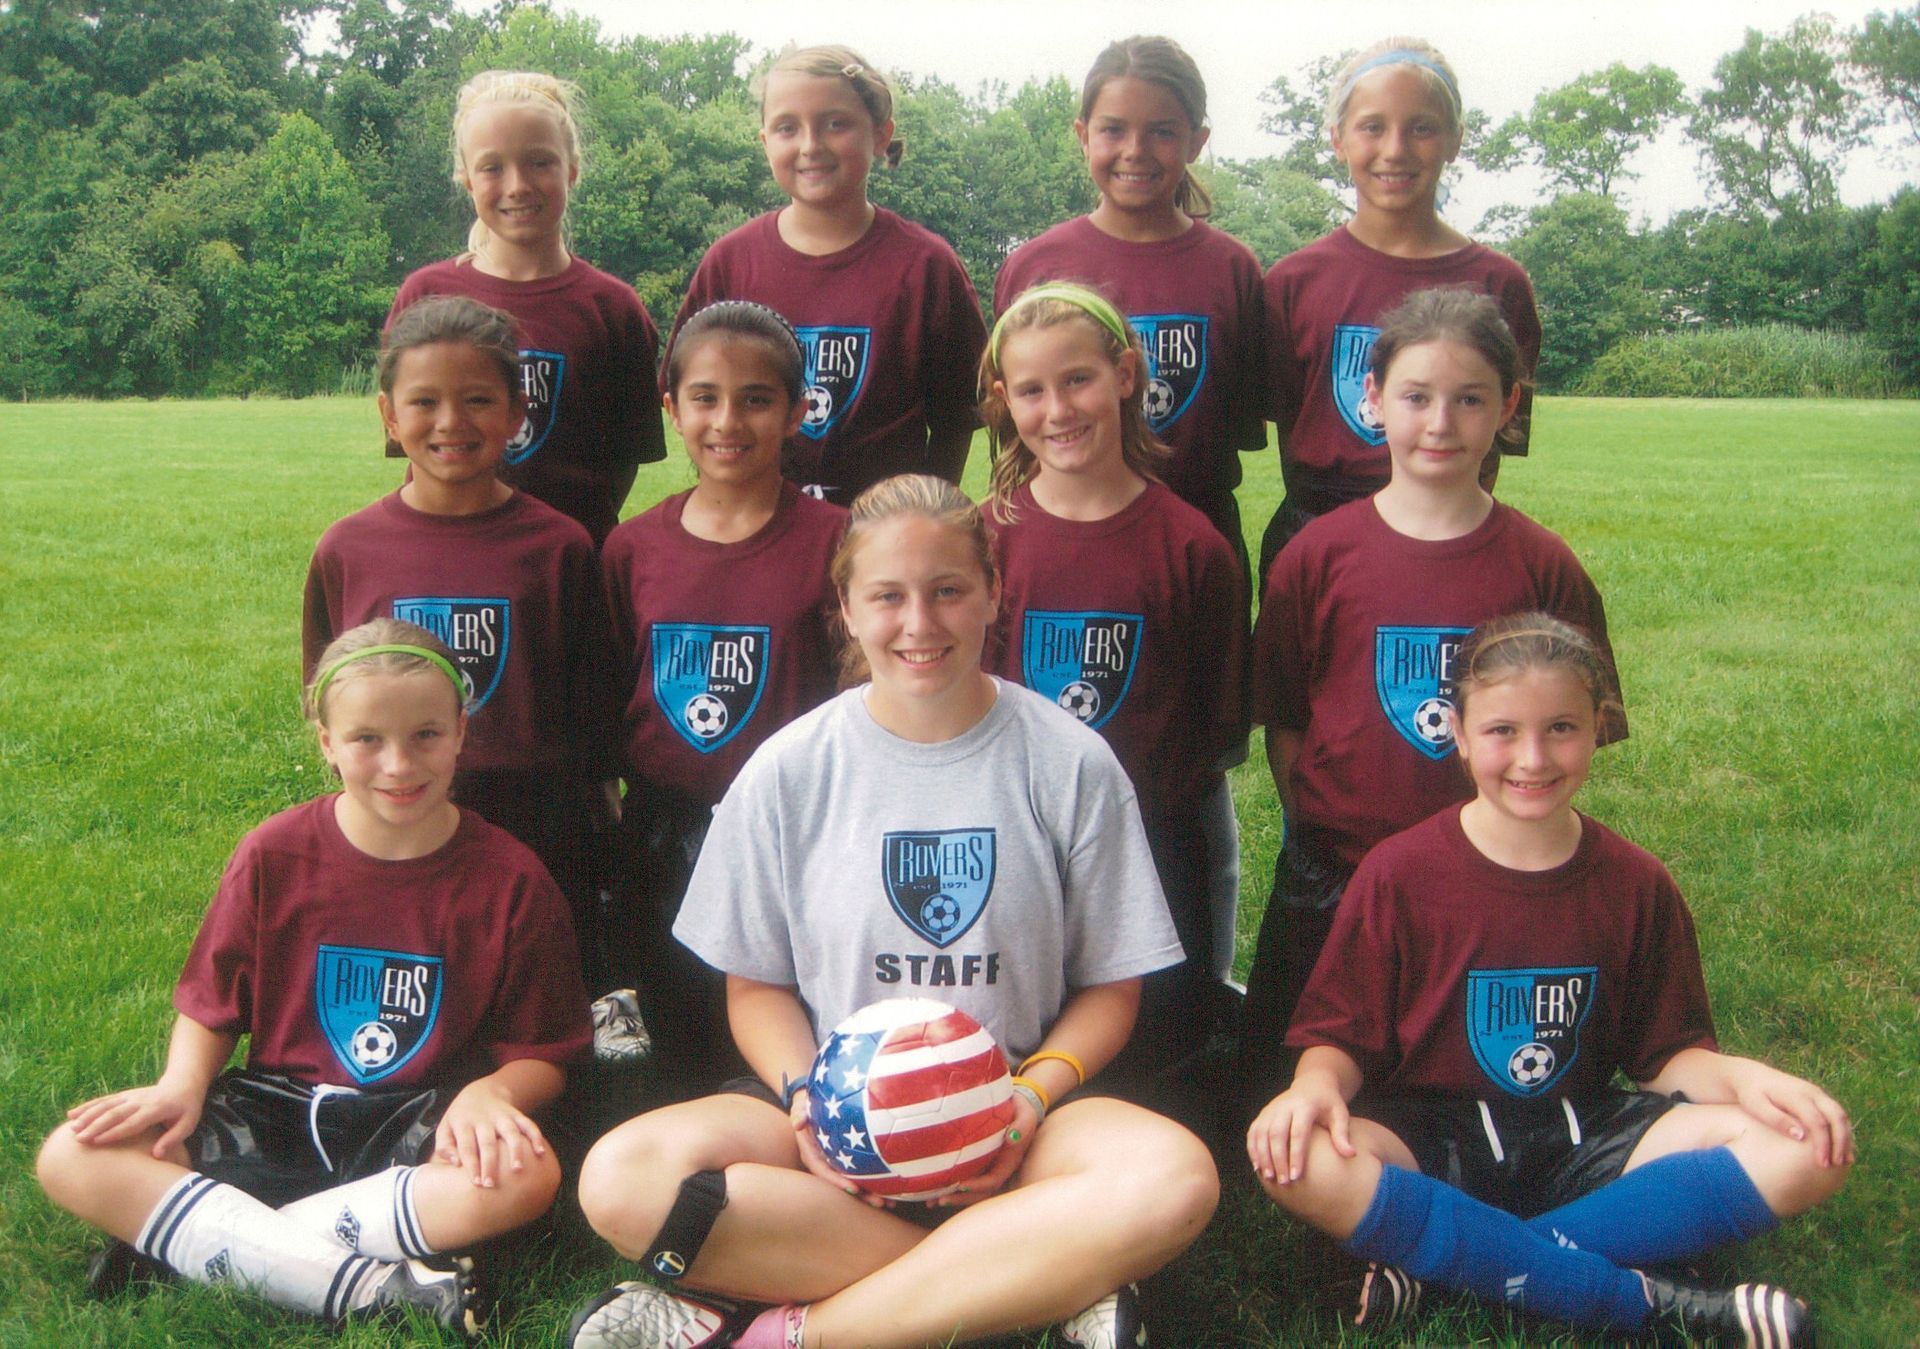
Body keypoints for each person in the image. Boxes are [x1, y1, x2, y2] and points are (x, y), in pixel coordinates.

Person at [565, 475, 1218, 1349]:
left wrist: (1030, 1098)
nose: (920, 622)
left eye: (948, 589)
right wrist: (806, 1098)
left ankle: (793, 1332)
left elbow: (1112, 989)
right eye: (888, 596)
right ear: (845, 606)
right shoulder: (789, 769)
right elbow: (754, 988)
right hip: (834, 1132)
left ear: (994, 591)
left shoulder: (1069, 761)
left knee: (1176, 1178)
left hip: (1019, 1120)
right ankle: (1032, 1276)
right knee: (622, 1178)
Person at [1247, 612, 1850, 1346]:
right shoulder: (1399, 873)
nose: (1532, 758)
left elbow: (1667, 1059)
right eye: (1502, 730)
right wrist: (1312, 1087)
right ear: (1459, 734)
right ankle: (1637, 1302)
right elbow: (1340, 1034)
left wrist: (1749, 1079)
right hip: (1434, 1142)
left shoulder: (1636, 882)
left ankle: (1461, 1264)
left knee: (1804, 1147)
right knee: (1297, 1161)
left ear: (1599, 728)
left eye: (1561, 728)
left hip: (1582, 1133)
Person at [36, 619, 591, 1337]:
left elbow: (545, 1052)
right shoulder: (275, 852)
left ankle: (203, 1244)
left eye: (425, 734)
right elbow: (211, 1004)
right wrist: (181, 1084)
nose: (398, 764)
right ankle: (381, 1291)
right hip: (274, 1112)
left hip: (415, 1123)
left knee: (525, 1175)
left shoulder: (511, 877)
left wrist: (495, 1091)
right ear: (327, 742)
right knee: (72, 1157)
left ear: (461, 731)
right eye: (367, 739)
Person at [1239, 288, 1623, 1113]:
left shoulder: (1542, 566)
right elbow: (1287, 718)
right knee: (1287, 1098)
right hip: (1335, 877)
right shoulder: (1316, 556)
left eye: (1470, 399)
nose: (1441, 423)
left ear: (1509, 408)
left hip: (1488, 878)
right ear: (1373, 399)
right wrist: (1319, 825)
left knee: (1468, 1101)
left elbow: (1574, 726)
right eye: (1416, 397)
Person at [994, 35, 1264, 991]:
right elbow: (1017, 416)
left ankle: (1194, 984)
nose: (1135, 150)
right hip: (1057, 543)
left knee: (1181, 776)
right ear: (1082, 134)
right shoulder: (1037, 261)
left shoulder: (1231, 267)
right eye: (1113, 129)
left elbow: (1237, 424)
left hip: (1172, 553)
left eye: (1160, 130)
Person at [303, 295, 622, 1014]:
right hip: (399, 816)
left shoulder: (559, 547)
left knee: (532, 1017)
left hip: (538, 831)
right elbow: (328, 693)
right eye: (424, 401)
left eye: (477, 399)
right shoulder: (348, 549)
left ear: (516, 413)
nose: (450, 422)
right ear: (389, 416)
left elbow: (593, 711)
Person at [979, 282, 1245, 1097]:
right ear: (1004, 400)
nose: (1058, 409)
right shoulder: (987, 539)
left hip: (1153, 840)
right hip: (1019, 834)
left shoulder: (1192, 546)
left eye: (1078, 380)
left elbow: (1215, 724)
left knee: (1157, 1062)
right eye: (1032, 389)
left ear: (1125, 375)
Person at [601, 301, 846, 1090]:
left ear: (798, 410)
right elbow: (612, 696)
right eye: (705, 397)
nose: (728, 421)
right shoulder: (633, 548)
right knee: (682, 1029)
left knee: (787, 1023)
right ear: (672, 409)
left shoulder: (838, 541)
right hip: (666, 830)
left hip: (800, 828)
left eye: (756, 399)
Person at [1260, 37, 1541, 583]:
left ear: (1455, 140)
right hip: (1314, 544)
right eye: (1372, 126)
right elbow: (1289, 426)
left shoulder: (1499, 284)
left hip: (1449, 538)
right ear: (1338, 139)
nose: (1395, 149)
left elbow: (1495, 443)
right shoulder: (1292, 283)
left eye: (1422, 128)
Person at [664, 45, 988, 507]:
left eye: (835, 124)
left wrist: (924, 514)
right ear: (764, 142)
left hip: (885, 536)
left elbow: (958, 419)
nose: (810, 145)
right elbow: (693, 401)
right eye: (787, 128)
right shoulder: (730, 263)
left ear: (880, 134)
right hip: (757, 529)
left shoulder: (926, 266)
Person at [389, 69, 665, 546]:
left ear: (572, 169)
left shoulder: (613, 309)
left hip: (570, 566)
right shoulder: (426, 296)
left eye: (539, 162)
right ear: (466, 180)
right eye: (492, 167)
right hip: (447, 555)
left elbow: (623, 461)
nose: (517, 185)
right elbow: (415, 441)